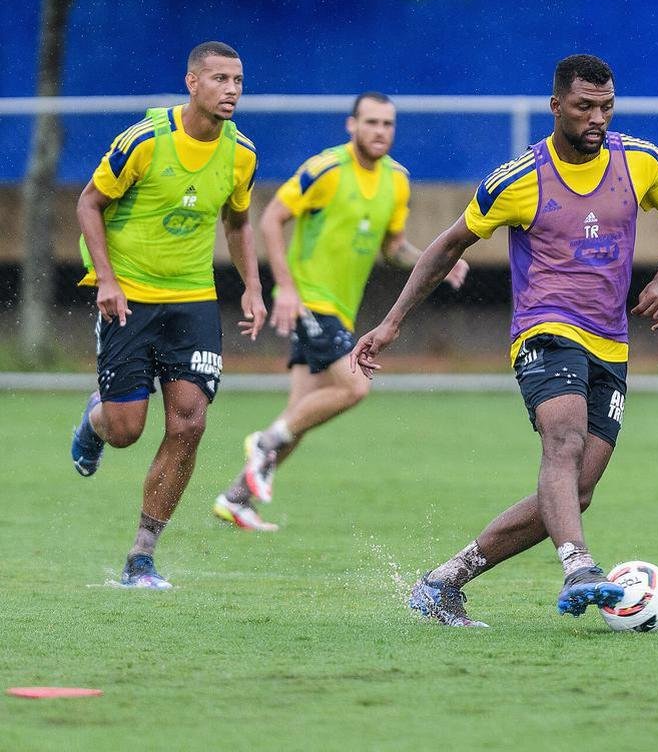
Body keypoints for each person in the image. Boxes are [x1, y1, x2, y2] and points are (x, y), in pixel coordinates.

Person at [351, 54, 658, 626]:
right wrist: (391, 323)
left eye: (607, 107)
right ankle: (578, 566)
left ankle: (442, 583)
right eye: (584, 107)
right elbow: (446, 246)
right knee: (563, 443)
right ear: (556, 106)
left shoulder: (641, 161)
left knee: (575, 493)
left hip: (611, 343)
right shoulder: (517, 180)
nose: (597, 118)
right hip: (545, 329)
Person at [212, 92, 469, 531]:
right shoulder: (326, 169)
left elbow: (393, 248)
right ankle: (265, 442)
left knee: (300, 413)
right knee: (355, 385)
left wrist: (434, 262)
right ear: (352, 126)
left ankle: (236, 498)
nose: (380, 131)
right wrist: (285, 289)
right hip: (309, 299)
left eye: (387, 124)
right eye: (371, 122)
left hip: (340, 311)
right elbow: (271, 218)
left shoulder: (397, 180)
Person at [70, 41, 267, 587]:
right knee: (126, 430)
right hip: (129, 295)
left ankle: (142, 554)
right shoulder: (145, 140)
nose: (231, 90)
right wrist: (107, 280)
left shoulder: (242, 153)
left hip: (193, 299)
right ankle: (96, 418)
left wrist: (253, 287)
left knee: (189, 422)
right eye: (220, 79)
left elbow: (238, 222)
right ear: (192, 82)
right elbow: (88, 203)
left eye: (238, 80)